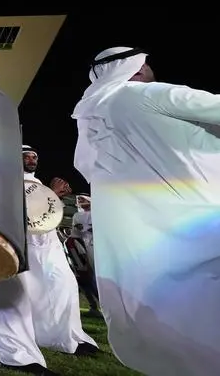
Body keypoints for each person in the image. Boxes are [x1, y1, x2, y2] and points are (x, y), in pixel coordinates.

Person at [72, 46, 220, 375]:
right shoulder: (142, 94)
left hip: (153, 234)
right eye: (145, 64)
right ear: (135, 68)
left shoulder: (89, 122)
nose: (148, 69)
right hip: (202, 215)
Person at [20, 146, 98, 356]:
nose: (31, 159)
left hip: (50, 244)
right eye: (26, 156)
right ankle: (54, 338)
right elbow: (26, 216)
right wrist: (52, 194)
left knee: (66, 285)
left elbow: (47, 213)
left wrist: (57, 198)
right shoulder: (12, 183)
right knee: (44, 291)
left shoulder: (36, 183)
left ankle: (73, 335)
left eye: (34, 156)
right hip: (31, 247)